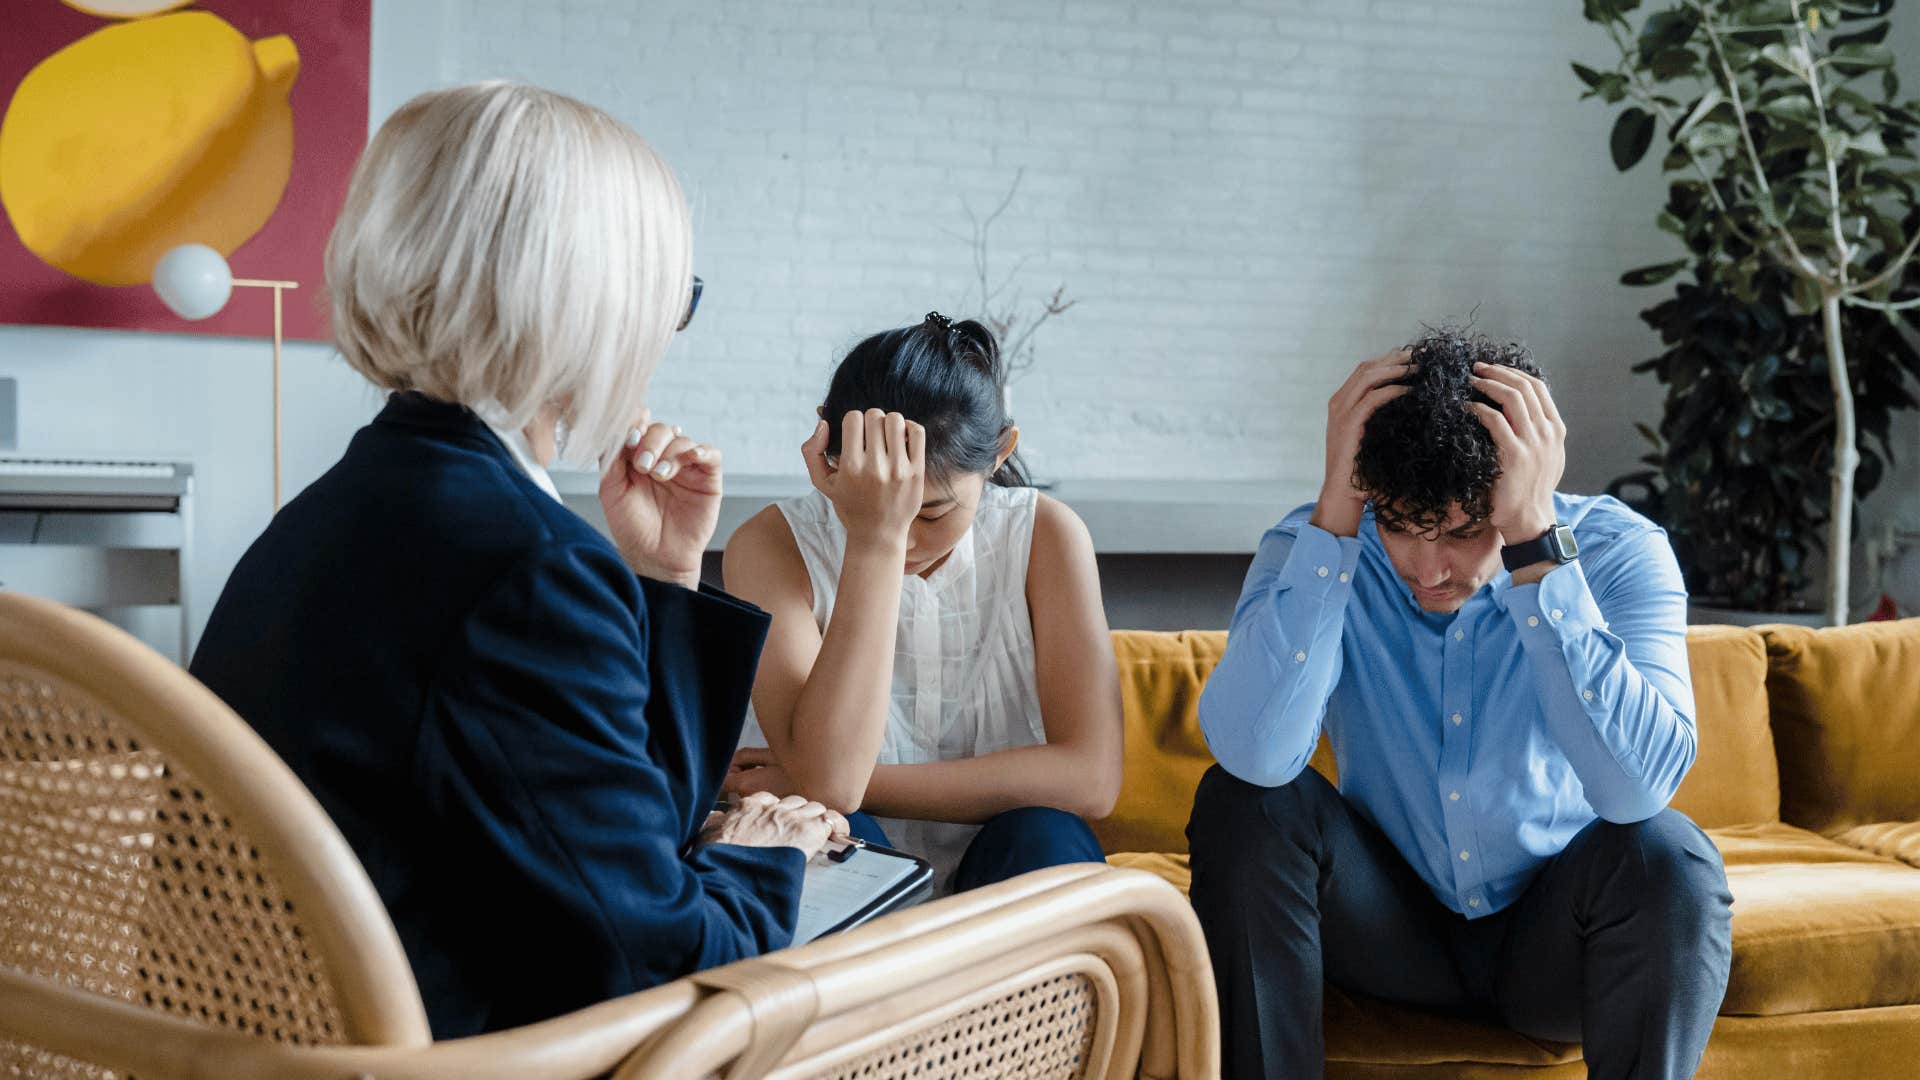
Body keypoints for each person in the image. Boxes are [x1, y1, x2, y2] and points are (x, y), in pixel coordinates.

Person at [189, 82, 844, 1038]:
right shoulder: (525, 568)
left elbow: (600, 843)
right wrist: (762, 850)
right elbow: (668, 974)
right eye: (675, 300)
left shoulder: (342, 511)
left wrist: (661, 582)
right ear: (593, 303)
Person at [1186, 328, 1733, 1079]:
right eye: (1402, 526)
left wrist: (1535, 546)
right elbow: (1254, 754)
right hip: (1387, 930)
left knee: (1670, 859)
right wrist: (1339, 520)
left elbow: (1637, 790)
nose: (1428, 567)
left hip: (1552, 945)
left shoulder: (1617, 550)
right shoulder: (1316, 544)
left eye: (1464, 531)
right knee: (1243, 804)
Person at [721, 312, 1123, 893]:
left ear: (999, 453)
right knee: (826, 830)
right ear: (828, 450)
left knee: (1049, 836)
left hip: (1007, 861)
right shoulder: (769, 545)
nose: (906, 535)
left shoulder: (1047, 535)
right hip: (844, 847)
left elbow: (1093, 779)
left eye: (931, 511)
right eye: (886, 505)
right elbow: (833, 788)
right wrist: (872, 541)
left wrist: (850, 778)